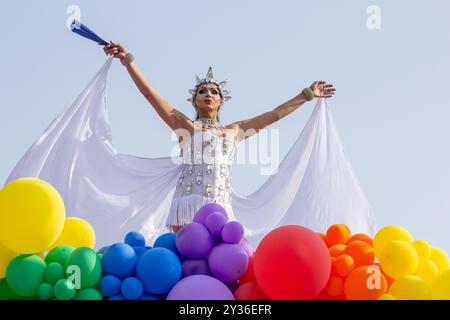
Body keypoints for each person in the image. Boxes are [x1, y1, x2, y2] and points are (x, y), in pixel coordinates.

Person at [102, 41, 336, 233]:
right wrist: (127, 61)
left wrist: (306, 95)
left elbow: (273, 116)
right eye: (202, 91)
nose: (208, 94)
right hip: (188, 206)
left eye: (214, 92)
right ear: (194, 101)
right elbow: (150, 94)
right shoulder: (186, 126)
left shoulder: (234, 131)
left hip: (221, 208)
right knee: (188, 263)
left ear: (221, 101)